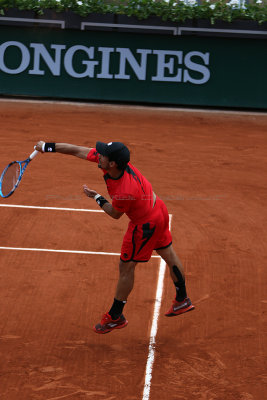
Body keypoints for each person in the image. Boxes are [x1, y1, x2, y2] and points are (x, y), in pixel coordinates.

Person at [35, 140, 195, 334]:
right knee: (168, 253)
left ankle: (115, 316)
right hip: (158, 208)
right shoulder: (113, 164)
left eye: (102, 155)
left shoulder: (124, 191)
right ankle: (182, 299)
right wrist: (47, 147)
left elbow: (114, 213)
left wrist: (96, 197)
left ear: (112, 164)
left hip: (145, 224)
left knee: (126, 267)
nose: (98, 155)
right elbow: (77, 150)